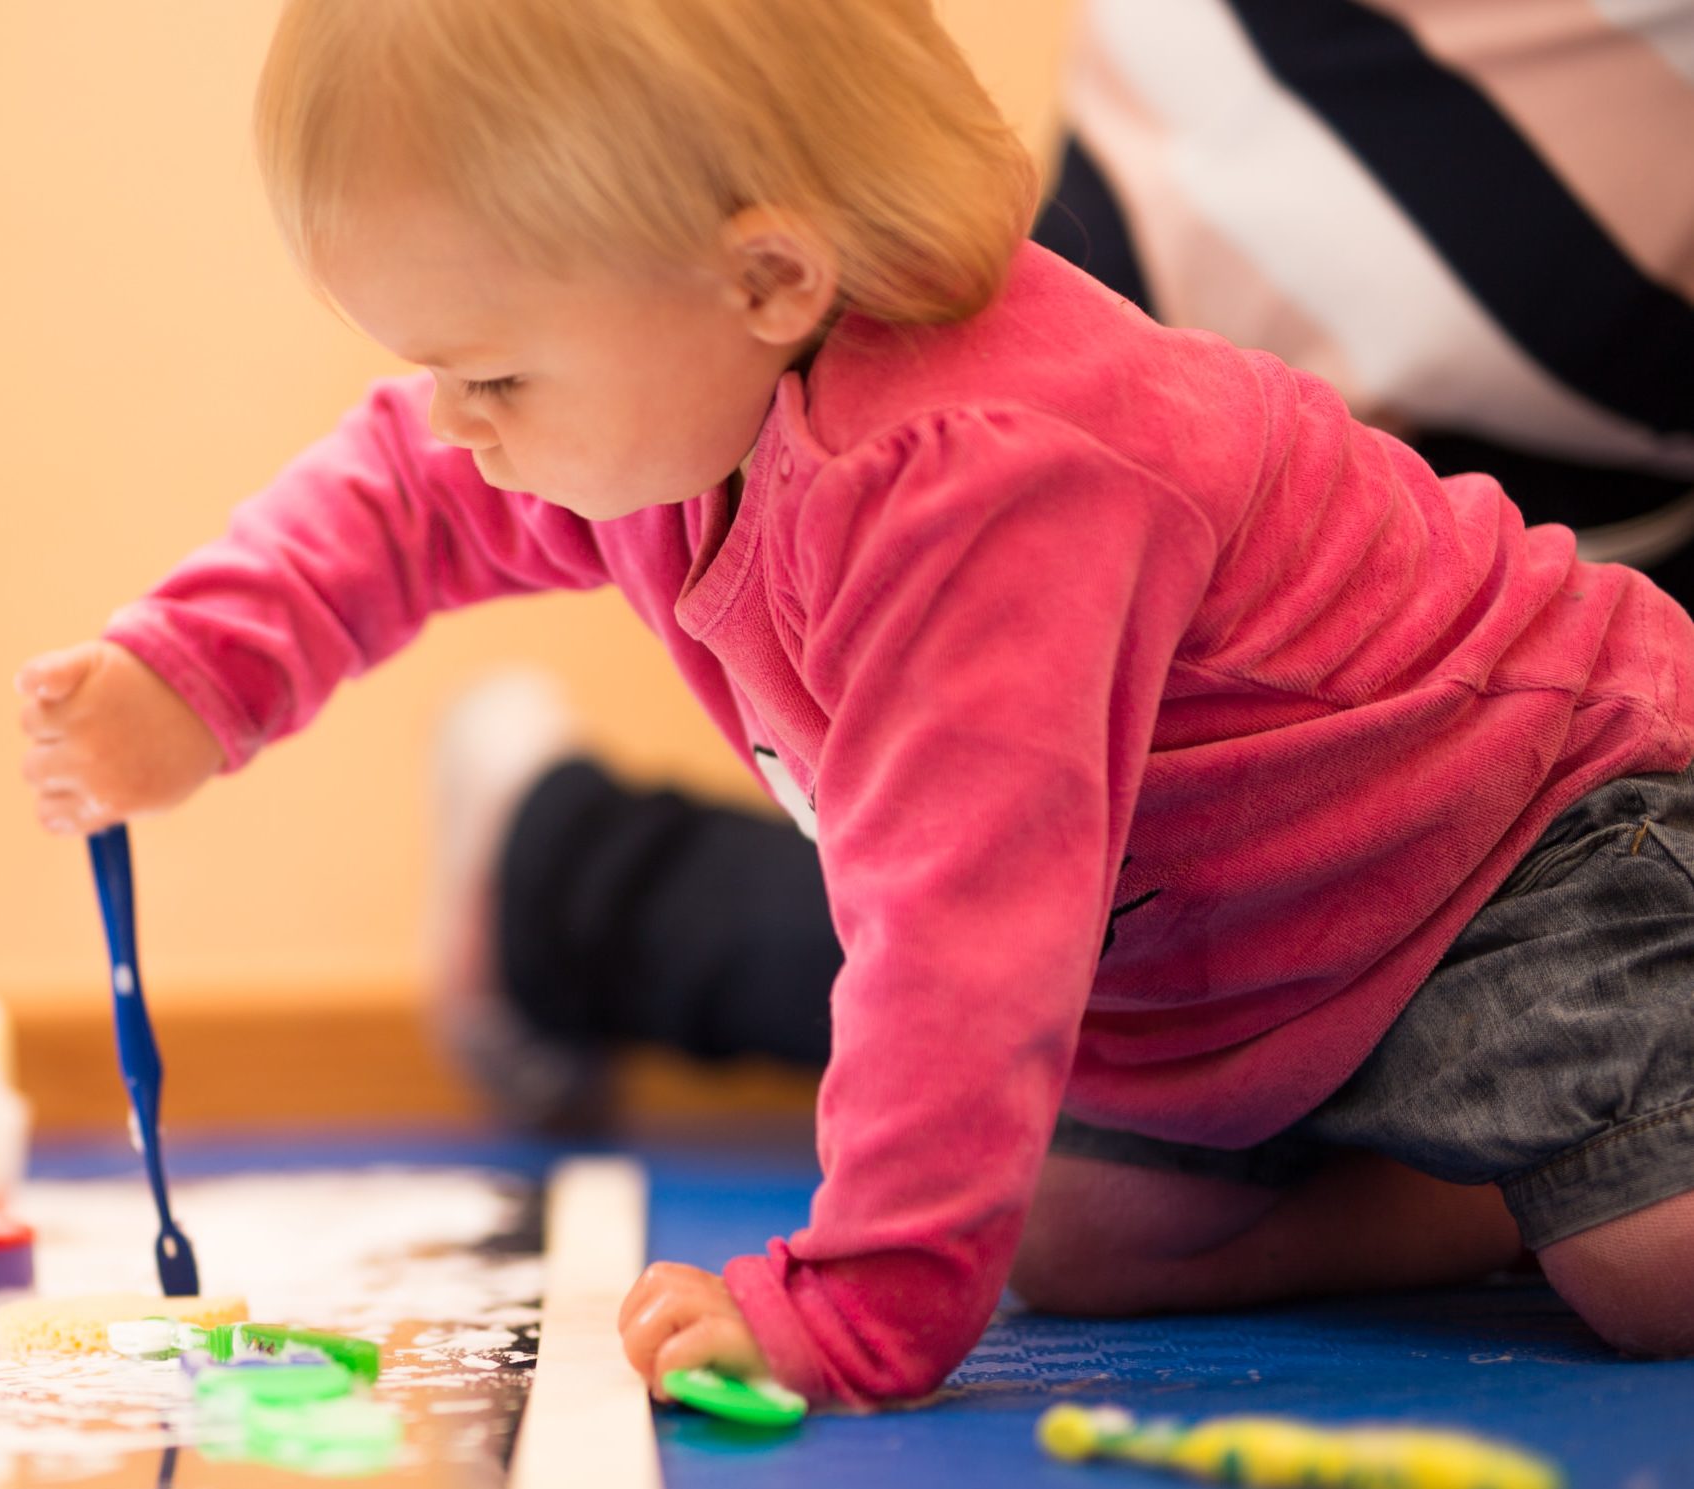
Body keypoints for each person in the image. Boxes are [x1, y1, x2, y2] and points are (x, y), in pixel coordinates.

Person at [15, 0, 1694, 1409]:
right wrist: (193, 671)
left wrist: (855, 1306)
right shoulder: (673, 403)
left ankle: (1569, 1183)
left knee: (1657, 1267)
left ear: (766, 282)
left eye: (495, 375)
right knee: (1073, 1239)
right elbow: (403, 490)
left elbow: (962, 938)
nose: (458, 422)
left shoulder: (982, 492)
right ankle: (1478, 1195)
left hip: (1526, 826)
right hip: (1261, 945)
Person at [451, 0, 1694, 1132]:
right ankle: (572, 882)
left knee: (1037, 884)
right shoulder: (963, 456)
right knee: (1033, 883)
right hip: (1327, 397)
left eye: (493, 376)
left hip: (1373, 492)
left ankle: (571, 881)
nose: (461, 415)